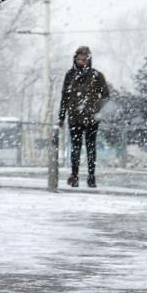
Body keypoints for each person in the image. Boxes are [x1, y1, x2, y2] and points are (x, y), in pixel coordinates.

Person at [58, 45, 111, 188]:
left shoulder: (96, 76)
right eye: (79, 58)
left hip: (91, 118)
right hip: (74, 117)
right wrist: (61, 116)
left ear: (89, 59)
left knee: (90, 147)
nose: (81, 61)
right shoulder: (70, 75)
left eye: (84, 58)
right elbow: (64, 97)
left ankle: (91, 176)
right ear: (75, 59)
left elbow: (106, 95)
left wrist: (97, 109)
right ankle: (74, 175)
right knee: (75, 147)